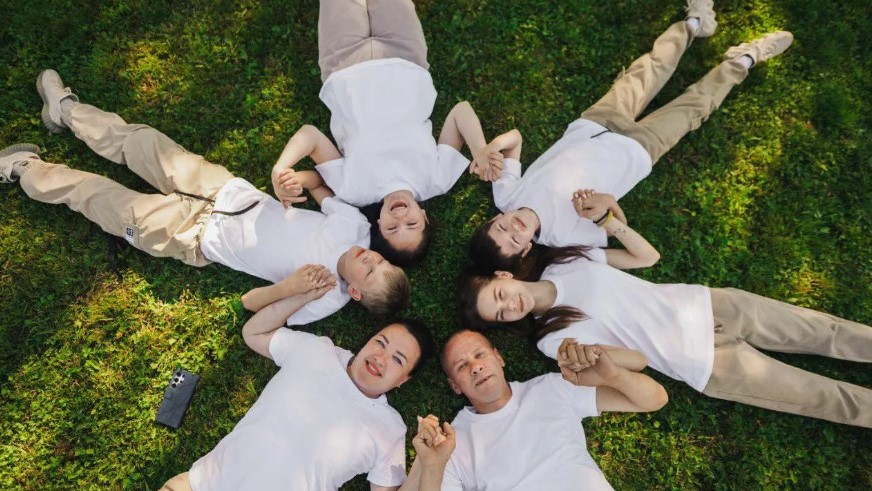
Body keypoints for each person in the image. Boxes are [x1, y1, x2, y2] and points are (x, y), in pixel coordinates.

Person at [0, 69, 410, 323]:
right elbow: (319, 186)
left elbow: (252, 305)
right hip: (224, 189)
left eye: (370, 273)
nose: (370, 259)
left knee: (102, 199)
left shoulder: (324, 298)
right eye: (381, 261)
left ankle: (24, 170)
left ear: (355, 292)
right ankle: (66, 111)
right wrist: (296, 183)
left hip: (193, 235)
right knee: (141, 142)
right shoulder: (356, 228)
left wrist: (290, 287)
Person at [468, 0, 794, 276]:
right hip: (637, 151)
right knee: (696, 106)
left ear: (496, 218)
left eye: (502, 227)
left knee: (650, 68)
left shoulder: (507, 197)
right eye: (514, 241)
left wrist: (489, 148)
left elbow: (515, 139)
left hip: (595, 123)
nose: (514, 228)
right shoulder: (563, 240)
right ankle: (745, 59)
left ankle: (695, 22)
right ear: (526, 250)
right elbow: (625, 240)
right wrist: (605, 210)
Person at [459, 213, 872, 427]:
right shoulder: (552, 340)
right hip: (706, 363)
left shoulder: (563, 261)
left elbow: (646, 257)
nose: (510, 307)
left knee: (828, 331)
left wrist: (610, 223)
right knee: (827, 397)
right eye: (500, 315)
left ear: (504, 276)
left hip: (709, 305)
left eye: (499, 296)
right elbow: (638, 360)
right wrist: (595, 359)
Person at [159, 265, 438, 490]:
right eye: (381, 342)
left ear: (403, 379)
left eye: (398, 360)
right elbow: (253, 333)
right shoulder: (318, 350)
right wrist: (304, 296)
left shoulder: (390, 428)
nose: (380, 358)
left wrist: (427, 463)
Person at [270, 0, 499, 268]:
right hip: (405, 57)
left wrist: (281, 168)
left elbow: (310, 136)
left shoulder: (352, 190)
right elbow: (461, 111)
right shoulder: (437, 180)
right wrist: (479, 149)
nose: (401, 218)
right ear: (424, 216)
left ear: (378, 223)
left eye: (392, 228)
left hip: (344, 65)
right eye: (412, 224)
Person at [436, 330, 667, 489]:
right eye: (462, 366)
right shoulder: (452, 444)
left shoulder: (553, 387)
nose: (475, 367)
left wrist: (614, 376)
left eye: (479, 355)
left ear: (499, 358)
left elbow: (655, 399)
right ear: (455, 385)